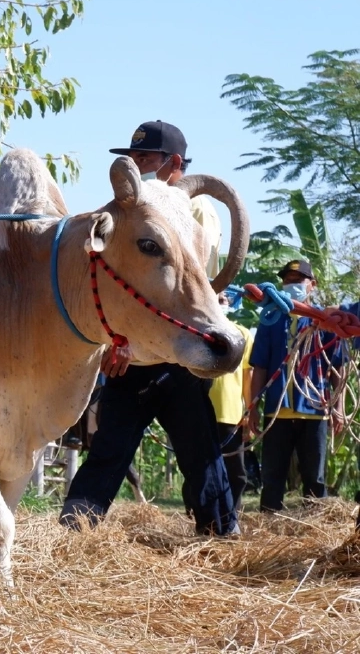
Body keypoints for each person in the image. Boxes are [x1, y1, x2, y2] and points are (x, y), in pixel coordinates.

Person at [60, 120, 238, 536]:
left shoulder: (191, 211)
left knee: (199, 451)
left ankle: (220, 535)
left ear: (174, 163)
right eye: (134, 158)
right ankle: (74, 534)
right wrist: (117, 339)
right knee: (109, 448)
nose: (137, 166)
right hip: (133, 356)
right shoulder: (132, 213)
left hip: (178, 353)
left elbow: (187, 289)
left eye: (145, 158)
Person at [248, 259, 344, 512]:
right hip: (277, 412)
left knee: (315, 478)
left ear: (312, 285)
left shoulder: (324, 321)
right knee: (272, 476)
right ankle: (268, 525)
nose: (291, 285)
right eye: (287, 281)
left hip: (315, 410)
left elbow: (337, 368)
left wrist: (338, 407)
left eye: (298, 281)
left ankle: (315, 524)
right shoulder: (270, 319)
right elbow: (260, 366)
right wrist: (253, 407)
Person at [199, 292, 254, 512]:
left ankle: (232, 517)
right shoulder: (196, 333)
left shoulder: (243, 334)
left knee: (236, 473)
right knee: (200, 468)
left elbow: (248, 377)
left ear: (230, 303)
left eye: (222, 299)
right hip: (200, 411)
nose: (219, 302)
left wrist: (249, 411)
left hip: (232, 415)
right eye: (214, 298)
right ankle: (198, 514)